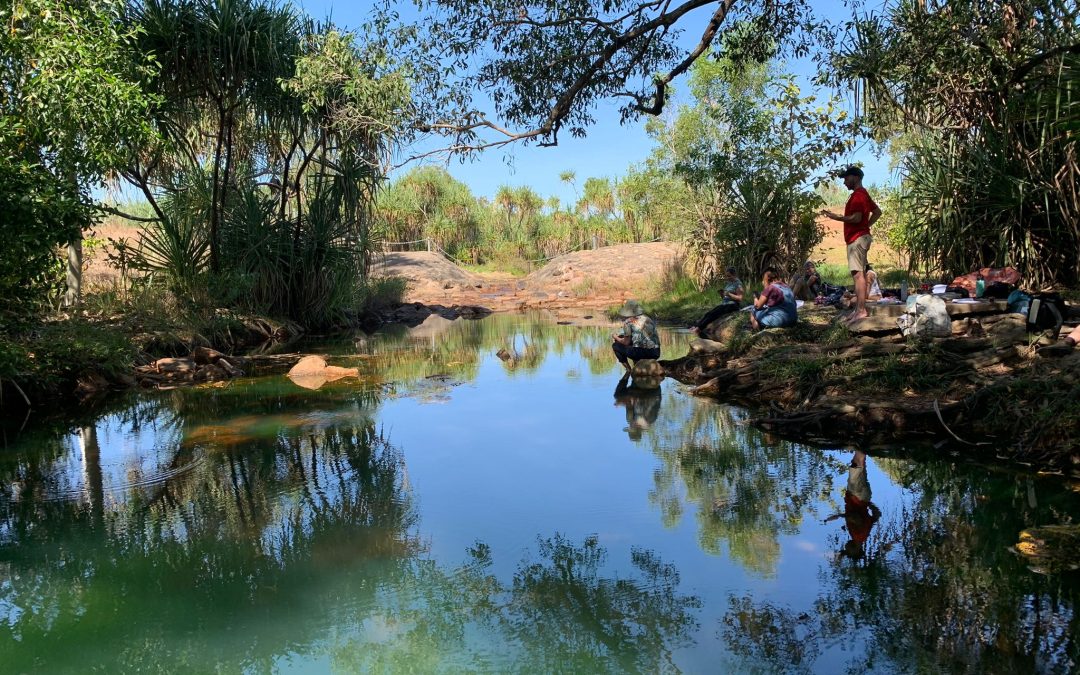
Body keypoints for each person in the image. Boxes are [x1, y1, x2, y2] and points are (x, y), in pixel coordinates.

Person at [821, 166, 882, 323]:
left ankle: (861, 311)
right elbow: (877, 212)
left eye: (846, 178)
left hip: (857, 238)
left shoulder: (858, 196)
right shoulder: (863, 194)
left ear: (855, 177)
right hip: (860, 236)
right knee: (858, 273)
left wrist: (836, 217)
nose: (844, 182)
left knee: (858, 274)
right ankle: (858, 310)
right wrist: (866, 226)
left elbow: (855, 218)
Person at [824, 450, 881, 561]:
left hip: (864, 497)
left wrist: (869, 504)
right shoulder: (857, 535)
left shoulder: (864, 535)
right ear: (856, 551)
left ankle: (863, 444)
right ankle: (861, 442)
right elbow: (857, 518)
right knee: (857, 463)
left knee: (860, 465)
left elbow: (877, 515)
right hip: (857, 495)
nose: (845, 547)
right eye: (848, 550)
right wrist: (840, 516)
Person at [690, 266, 745, 335]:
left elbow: (740, 298)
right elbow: (726, 297)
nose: (727, 278)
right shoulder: (729, 283)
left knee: (714, 314)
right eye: (726, 276)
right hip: (725, 304)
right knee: (709, 313)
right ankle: (696, 326)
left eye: (729, 276)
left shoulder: (738, 284)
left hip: (733, 305)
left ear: (734, 275)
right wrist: (722, 294)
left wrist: (729, 294)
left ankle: (698, 329)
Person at [612, 299, 661, 371]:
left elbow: (626, 342)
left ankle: (629, 369)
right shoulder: (648, 318)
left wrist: (615, 337)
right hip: (655, 353)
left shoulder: (628, 322)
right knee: (624, 338)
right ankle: (637, 364)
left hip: (641, 353)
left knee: (615, 345)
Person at [613, 372, 662, 441]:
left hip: (638, 392)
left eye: (629, 428)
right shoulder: (648, 420)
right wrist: (629, 399)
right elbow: (647, 401)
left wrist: (622, 401)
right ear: (637, 429)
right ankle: (634, 376)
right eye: (631, 428)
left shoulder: (630, 420)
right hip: (652, 392)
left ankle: (627, 374)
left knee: (617, 395)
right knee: (634, 403)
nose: (630, 426)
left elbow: (629, 404)